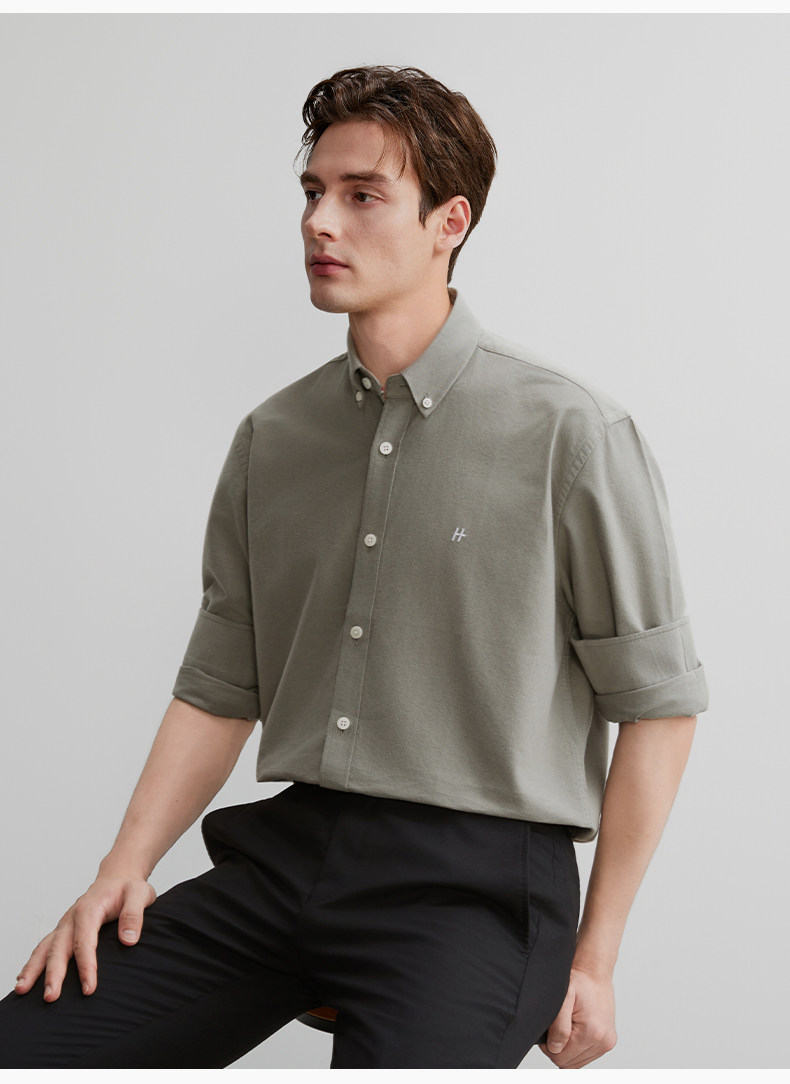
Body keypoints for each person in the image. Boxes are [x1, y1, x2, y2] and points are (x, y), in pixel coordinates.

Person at [0, 65, 709, 1069]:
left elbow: (658, 706)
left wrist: (595, 957)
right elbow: (221, 686)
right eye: (312, 192)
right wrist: (123, 867)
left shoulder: (571, 433)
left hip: (478, 889)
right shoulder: (274, 438)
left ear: (449, 221)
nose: (319, 222)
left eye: (362, 195)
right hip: (289, 858)